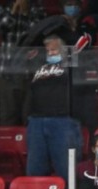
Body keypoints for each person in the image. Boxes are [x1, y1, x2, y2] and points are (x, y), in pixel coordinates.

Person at [25, 34, 84, 179]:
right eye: (48, 50)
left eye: (54, 50)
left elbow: (84, 41)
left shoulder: (70, 64)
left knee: (66, 169)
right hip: (37, 120)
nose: (51, 53)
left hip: (62, 119)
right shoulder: (38, 66)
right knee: (35, 169)